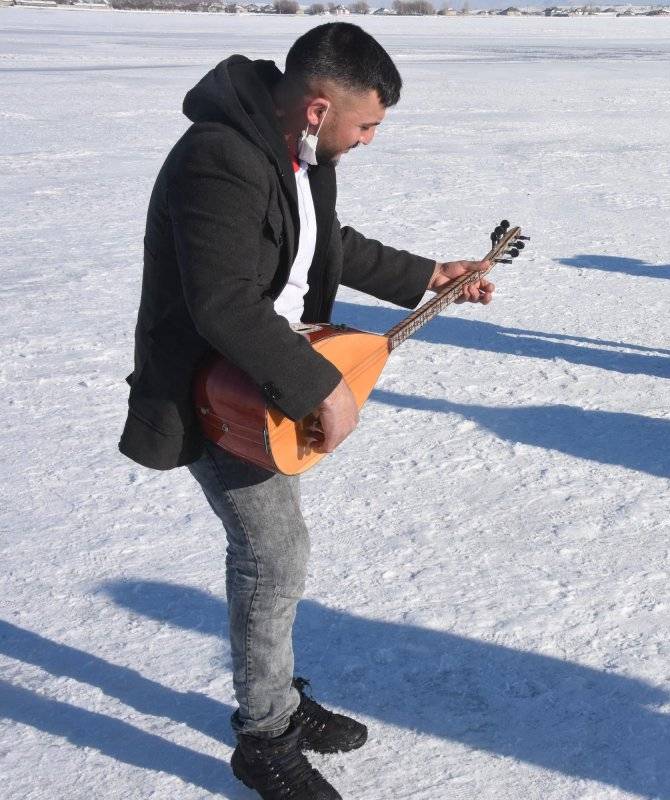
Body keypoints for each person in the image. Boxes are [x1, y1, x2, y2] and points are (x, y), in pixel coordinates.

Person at [118, 23, 494, 800]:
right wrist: (319, 385)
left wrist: (431, 273)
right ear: (320, 110)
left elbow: (323, 244)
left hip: (263, 381)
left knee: (279, 548)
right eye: (367, 126)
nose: (369, 141)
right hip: (212, 387)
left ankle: (279, 697)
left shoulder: (297, 149)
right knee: (273, 553)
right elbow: (221, 303)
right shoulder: (217, 157)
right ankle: (264, 734)